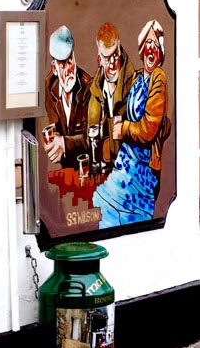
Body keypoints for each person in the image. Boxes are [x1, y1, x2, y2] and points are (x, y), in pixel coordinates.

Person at [94, 19, 170, 227]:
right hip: (125, 159)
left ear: (161, 51)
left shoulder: (158, 78)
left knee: (127, 217)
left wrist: (124, 128)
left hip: (142, 168)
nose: (151, 49)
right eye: (148, 44)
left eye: (155, 45)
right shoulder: (137, 78)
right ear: (142, 49)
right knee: (105, 210)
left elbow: (148, 129)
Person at [86, 22, 136, 172]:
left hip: (129, 172)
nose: (113, 63)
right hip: (104, 173)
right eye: (107, 58)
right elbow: (89, 137)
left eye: (115, 54)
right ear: (99, 59)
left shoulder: (135, 84)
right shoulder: (96, 91)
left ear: (120, 49)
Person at [43, 25, 91, 169]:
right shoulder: (49, 85)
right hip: (66, 168)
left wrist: (63, 143)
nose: (69, 69)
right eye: (63, 65)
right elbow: (54, 124)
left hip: (87, 167)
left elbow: (89, 138)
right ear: (54, 68)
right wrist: (52, 143)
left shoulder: (89, 87)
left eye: (70, 60)